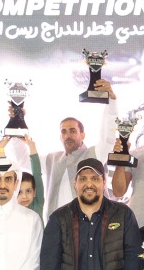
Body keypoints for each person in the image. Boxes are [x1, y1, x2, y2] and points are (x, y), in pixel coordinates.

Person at [41, 85, 117, 217]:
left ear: (83, 135)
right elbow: (23, 160)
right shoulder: (51, 159)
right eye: (64, 132)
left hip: (92, 229)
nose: (68, 135)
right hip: (58, 230)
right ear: (60, 137)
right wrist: (17, 123)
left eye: (72, 131)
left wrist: (112, 102)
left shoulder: (95, 154)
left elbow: (108, 138)